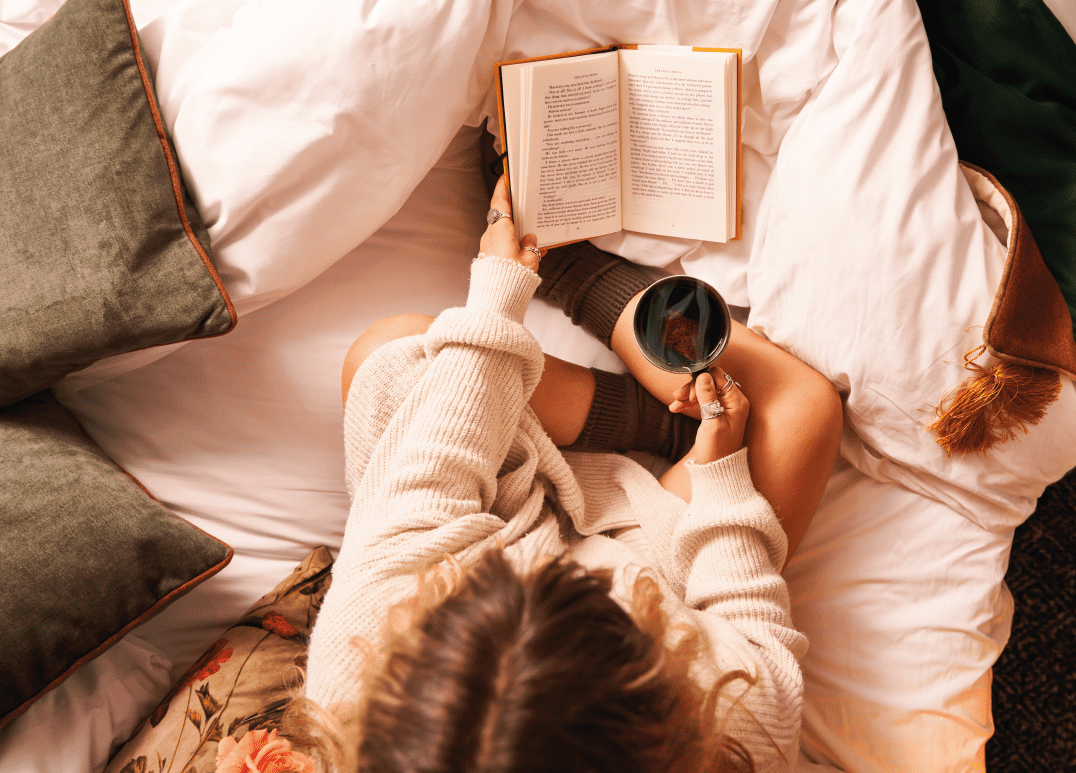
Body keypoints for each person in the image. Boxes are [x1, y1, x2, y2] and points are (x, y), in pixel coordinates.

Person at [300, 175, 842, 773]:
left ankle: (640, 413)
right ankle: (598, 294)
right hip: (653, 561)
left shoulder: (358, 667)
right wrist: (720, 477)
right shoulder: (738, 725)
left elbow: (429, 480)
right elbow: (743, 615)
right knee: (799, 411)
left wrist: (502, 291)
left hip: (493, 523)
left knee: (390, 355)